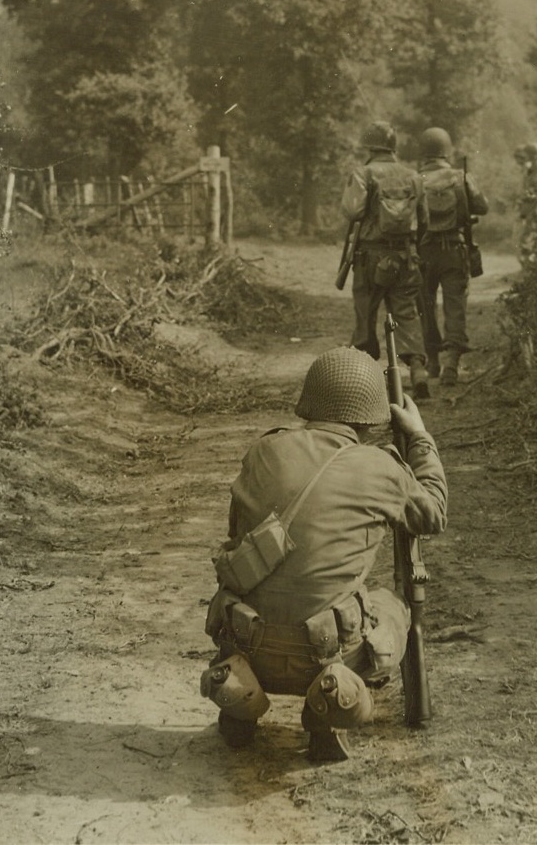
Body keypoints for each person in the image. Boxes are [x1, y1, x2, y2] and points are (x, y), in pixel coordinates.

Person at [201, 346, 447, 762]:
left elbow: (235, 536)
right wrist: (419, 438)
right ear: (372, 413)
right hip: (326, 651)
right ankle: (329, 709)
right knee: (393, 605)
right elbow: (434, 513)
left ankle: (241, 699)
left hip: (248, 643)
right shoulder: (380, 467)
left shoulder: (263, 451)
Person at [340, 121, 431, 398]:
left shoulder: (363, 173)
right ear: (393, 146)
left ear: (369, 145)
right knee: (406, 312)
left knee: (365, 313)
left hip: (369, 256)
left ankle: (364, 379)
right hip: (404, 255)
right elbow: (424, 220)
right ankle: (418, 370)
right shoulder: (414, 176)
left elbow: (351, 211)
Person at [416, 127, 489, 387]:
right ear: (446, 150)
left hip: (423, 252)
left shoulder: (416, 179)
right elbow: (483, 206)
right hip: (455, 251)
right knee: (455, 307)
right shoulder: (460, 177)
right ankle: (452, 367)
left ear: (422, 151)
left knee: (425, 308)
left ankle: (432, 361)